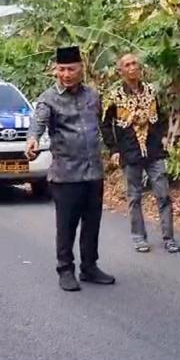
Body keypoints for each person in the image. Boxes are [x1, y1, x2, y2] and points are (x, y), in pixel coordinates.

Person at [26, 46, 115, 292]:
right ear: (55, 70)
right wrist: (32, 140)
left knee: (92, 223)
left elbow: (102, 125)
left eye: (71, 69)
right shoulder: (48, 98)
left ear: (81, 69)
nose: (65, 74)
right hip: (65, 175)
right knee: (66, 226)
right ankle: (65, 269)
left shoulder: (93, 96)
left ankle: (89, 267)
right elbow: (38, 123)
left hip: (93, 172)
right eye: (61, 69)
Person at [101, 53, 180, 254]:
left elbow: (161, 115)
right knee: (134, 196)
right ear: (121, 70)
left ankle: (169, 238)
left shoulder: (152, 91)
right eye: (127, 65)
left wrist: (163, 136)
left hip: (154, 150)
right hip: (130, 151)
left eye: (134, 63)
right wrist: (114, 149)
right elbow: (105, 124)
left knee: (163, 194)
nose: (132, 67)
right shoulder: (114, 95)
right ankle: (139, 237)